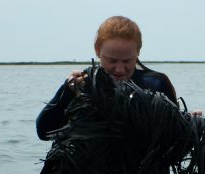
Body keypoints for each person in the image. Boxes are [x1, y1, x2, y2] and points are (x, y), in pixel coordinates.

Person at [36, 16, 179, 141]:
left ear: (138, 52)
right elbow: (44, 133)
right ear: (97, 50)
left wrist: (192, 124)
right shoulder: (81, 85)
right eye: (112, 60)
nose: (119, 69)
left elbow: (176, 142)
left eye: (127, 61)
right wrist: (66, 92)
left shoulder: (155, 83)